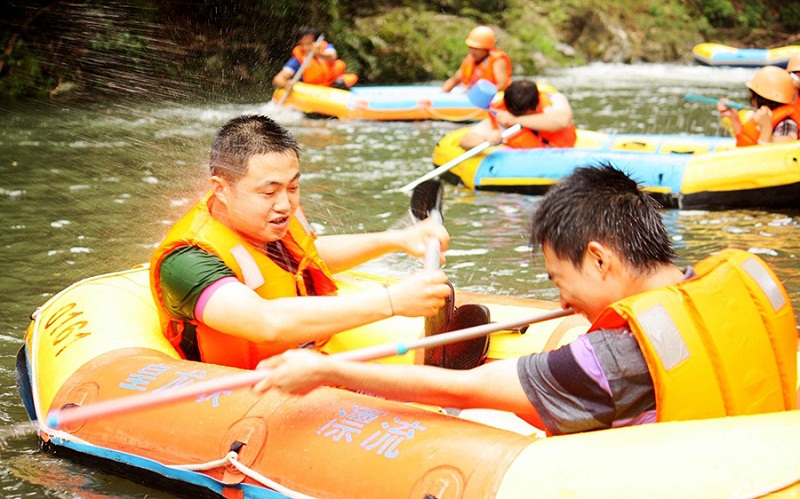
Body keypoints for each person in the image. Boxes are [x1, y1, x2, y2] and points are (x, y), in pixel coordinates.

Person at [253, 163, 797, 436]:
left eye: (560, 281)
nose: (561, 302)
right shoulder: (736, 279)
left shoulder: (612, 359)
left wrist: (328, 372)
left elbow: (462, 389)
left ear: (600, 259)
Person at [149, 115, 452, 369]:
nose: (285, 203)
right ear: (222, 189)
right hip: (241, 390)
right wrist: (393, 302)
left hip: (304, 360)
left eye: (293, 187)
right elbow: (264, 323)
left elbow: (308, 257)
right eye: (269, 192)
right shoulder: (186, 261)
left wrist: (397, 239)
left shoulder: (270, 219)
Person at [458, 79, 577, 150]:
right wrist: (486, 140)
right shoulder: (501, 117)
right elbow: (465, 141)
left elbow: (563, 121)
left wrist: (516, 120)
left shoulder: (554, 100)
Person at [717, 65, 799, 146]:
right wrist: (734, 117)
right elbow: (747, 141)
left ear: (759, 99)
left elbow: (777, 156)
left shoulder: (787, 125)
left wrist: (766, 128)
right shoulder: (762, 117)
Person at [272, 26, 358, 91]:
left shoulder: (326, 48)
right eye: (304, 44)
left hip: (334, 84)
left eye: (310, 43)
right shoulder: (297, 60)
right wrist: (286, 84)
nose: (307, 47)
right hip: (315, 90)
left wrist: (319, 54)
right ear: (300, 43)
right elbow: (278, 79)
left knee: (344, 81)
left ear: (316, 42)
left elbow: (333, 57)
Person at [441, 26, 512, 93]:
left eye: (476, 49)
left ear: (486, 49)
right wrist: (442, 92)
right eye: (471, 47)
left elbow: (502, 86)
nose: (472, 51)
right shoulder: (469, 60)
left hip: (492, 100)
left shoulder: (497, 60)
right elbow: (454, 80)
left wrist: (481, 95)